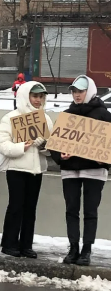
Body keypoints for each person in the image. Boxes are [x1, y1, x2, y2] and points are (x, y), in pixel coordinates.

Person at [49, 75, 111, 266]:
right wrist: (61, 156)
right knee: (71, 210)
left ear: (89, 91)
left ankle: (87, 250)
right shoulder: (67, 115)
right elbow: (55, 144)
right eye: (74, 91)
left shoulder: (104, 115)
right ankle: (73, 247)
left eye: (80, 91)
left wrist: (104, 161)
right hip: (70, 171)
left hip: (94, 170)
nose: (77, 95)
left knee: (90, 211)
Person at [0, 82, 53, 258]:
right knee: (16, 206)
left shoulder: (46, 119)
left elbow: (52, 148)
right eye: (34, 96)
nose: (38, 100)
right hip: (16, 169)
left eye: (41, 97)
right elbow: (1, 144)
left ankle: (26, 245)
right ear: (26, 96)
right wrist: (23, 146)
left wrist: (43, 145)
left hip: (36, 171)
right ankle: (9, 243)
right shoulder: (11, 118)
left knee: (30, 208)